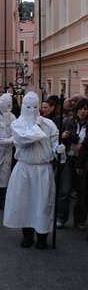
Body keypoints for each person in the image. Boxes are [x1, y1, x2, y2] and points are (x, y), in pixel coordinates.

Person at [3, 91, 65, 250]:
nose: (32, 110)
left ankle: (43, 236)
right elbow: (24, 140)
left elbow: (53, 142)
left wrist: (58, 149)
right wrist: (37, 125)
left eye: (35, 106)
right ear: (24, 106)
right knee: (26, 203)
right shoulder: (17, 124)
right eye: (28, 106)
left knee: (42, 204)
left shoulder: (49, 124)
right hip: (25, 169)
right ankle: (27, 235)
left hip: (42, 170)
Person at [57, 98, 88, 230]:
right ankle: (61, 217)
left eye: (85, 109)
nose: (82, 111)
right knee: (65, 190)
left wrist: (84, 147)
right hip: (69, 160)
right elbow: (56, 141)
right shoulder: (67, 122)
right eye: (80, 108)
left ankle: (80, 219)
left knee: (83, 192)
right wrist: (63, 137)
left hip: (84, 162)